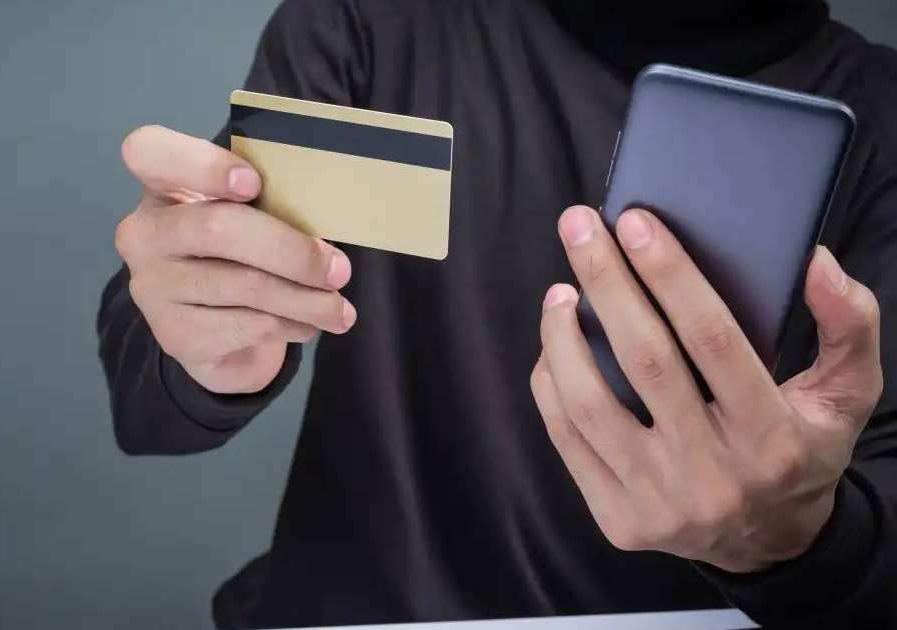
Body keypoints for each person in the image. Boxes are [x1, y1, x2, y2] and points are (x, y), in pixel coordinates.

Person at [99, 0, 897, 627]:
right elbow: (146, 408)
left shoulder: (882, 117)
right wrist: (204, 339)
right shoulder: (371, 21)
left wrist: (797, 546)